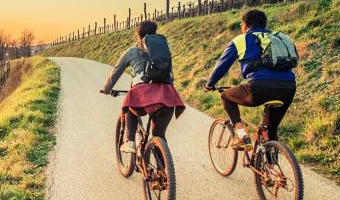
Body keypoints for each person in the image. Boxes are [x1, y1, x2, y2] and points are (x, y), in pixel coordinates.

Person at [204, 9, 296, 148]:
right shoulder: (281, 38)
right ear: (264, 24)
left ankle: (241, 136)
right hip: (288, 87)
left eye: (242, 25)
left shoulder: (241, 40)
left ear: (245, 25)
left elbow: (222, 65)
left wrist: (209, 84)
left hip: (259, 87)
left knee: (226, 96)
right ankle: (270, 167)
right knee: (271, 130)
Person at [101, 20, 185, 153]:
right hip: (167, 94)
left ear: (138, 35)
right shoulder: (163, 50)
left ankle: (130, 142)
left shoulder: (132, 51)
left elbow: (116, 71)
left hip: (144, 94)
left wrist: (106, 88)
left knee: (129, 106)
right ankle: (164, 170)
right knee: (159, 135)